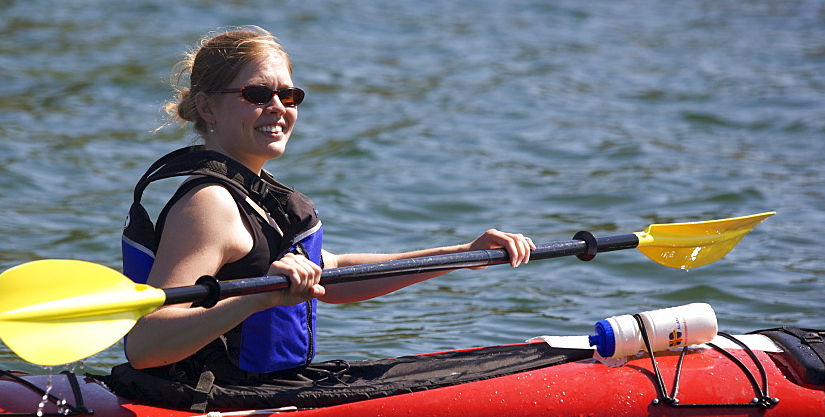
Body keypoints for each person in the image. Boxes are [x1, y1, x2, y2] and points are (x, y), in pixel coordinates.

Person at [121, 26, 535, 388]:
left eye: (289, 95)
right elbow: (146, 345)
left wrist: (462, 255)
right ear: (208, 106)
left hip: (265, 389)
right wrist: (258, 298)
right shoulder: (209, 205)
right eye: (257, 94)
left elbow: (330, 274)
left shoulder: (253, 192)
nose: (279, 107)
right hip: (208, 400)